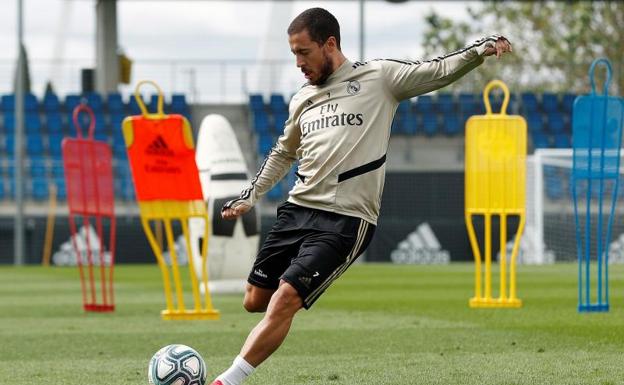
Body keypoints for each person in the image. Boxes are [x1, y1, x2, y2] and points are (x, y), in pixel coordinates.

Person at [211, 7, 512, 385]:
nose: (298, 63)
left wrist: (478, 50)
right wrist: (250, 196)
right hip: (298, 209)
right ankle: (284, 307)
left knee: (285, 298)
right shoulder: (302, 98)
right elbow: (284, 152)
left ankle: (227, 380)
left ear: (330, 43)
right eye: (294, 54)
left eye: (303, 52)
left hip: (345, 219)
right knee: (254, 300)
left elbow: (435, 70)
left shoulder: (379, 78)